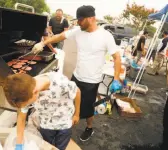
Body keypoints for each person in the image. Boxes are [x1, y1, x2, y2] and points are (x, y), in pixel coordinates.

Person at [31, 5, 122, 141]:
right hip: (76, 75)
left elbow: (117, 57)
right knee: (70, 101)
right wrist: (44, 43)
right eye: (78, 20)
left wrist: (116, 78)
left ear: (91, 18)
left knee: (87, 108)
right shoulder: (78, 31)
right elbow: (60, 36)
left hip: (91, 80)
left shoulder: (105, 36)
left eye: (80, 20)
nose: (78, 23)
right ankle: (69, 122)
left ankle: (89, 127)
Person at [3, 72, 81, 150]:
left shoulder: (60, 83)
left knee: (60, 147)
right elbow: (21, 118)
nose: (27, 105)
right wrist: (19, 143)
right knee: (47, 145)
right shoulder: (26, 90)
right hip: (45, 123)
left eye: (29, 103)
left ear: (35, 92)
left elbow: (77, 92)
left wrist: (76, 114)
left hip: (64, 123)